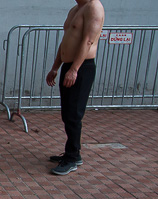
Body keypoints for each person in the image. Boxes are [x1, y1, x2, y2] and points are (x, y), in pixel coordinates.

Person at [46, 0, 105, 175]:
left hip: (82, 67)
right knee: (67, 113)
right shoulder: (75, 9)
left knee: (73, 114)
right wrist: (56, 67)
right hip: (69, 66)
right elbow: (66, 41)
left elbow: (88, 41)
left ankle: (72, 157)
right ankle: (72, 152)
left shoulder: (94, 7)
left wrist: (74, 69)